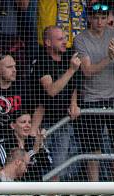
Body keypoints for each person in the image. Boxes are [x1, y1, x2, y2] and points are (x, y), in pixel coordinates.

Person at [73, 2, 114, 181]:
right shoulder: (80, 39)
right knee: (93, 147)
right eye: (96, 18)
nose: (99, 21)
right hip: (92, 98)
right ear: (89, 18)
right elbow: (87, 71)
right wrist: (109, 58)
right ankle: (94, 188)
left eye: (103, 18)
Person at [29, 25, 82, 179]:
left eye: (65, 38)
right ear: (48, 43)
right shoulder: (42, 61)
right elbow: (51, 90)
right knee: (41, 164)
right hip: (43, 123)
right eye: (60, 39)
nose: (65, 42)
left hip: (63, 121)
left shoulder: (69, 58)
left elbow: (74, 86)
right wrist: (71, 70)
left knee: (58, 166)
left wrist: (74, 103)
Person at [0, 111, 54, 181]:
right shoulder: (2, 144)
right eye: (23, 122)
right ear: (12, 125)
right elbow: (7, 165)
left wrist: (40, 146)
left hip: (35, 186)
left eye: (29, 122)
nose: (27, 125)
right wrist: (35, 151)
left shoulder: (35, 141)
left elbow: (47, 163)